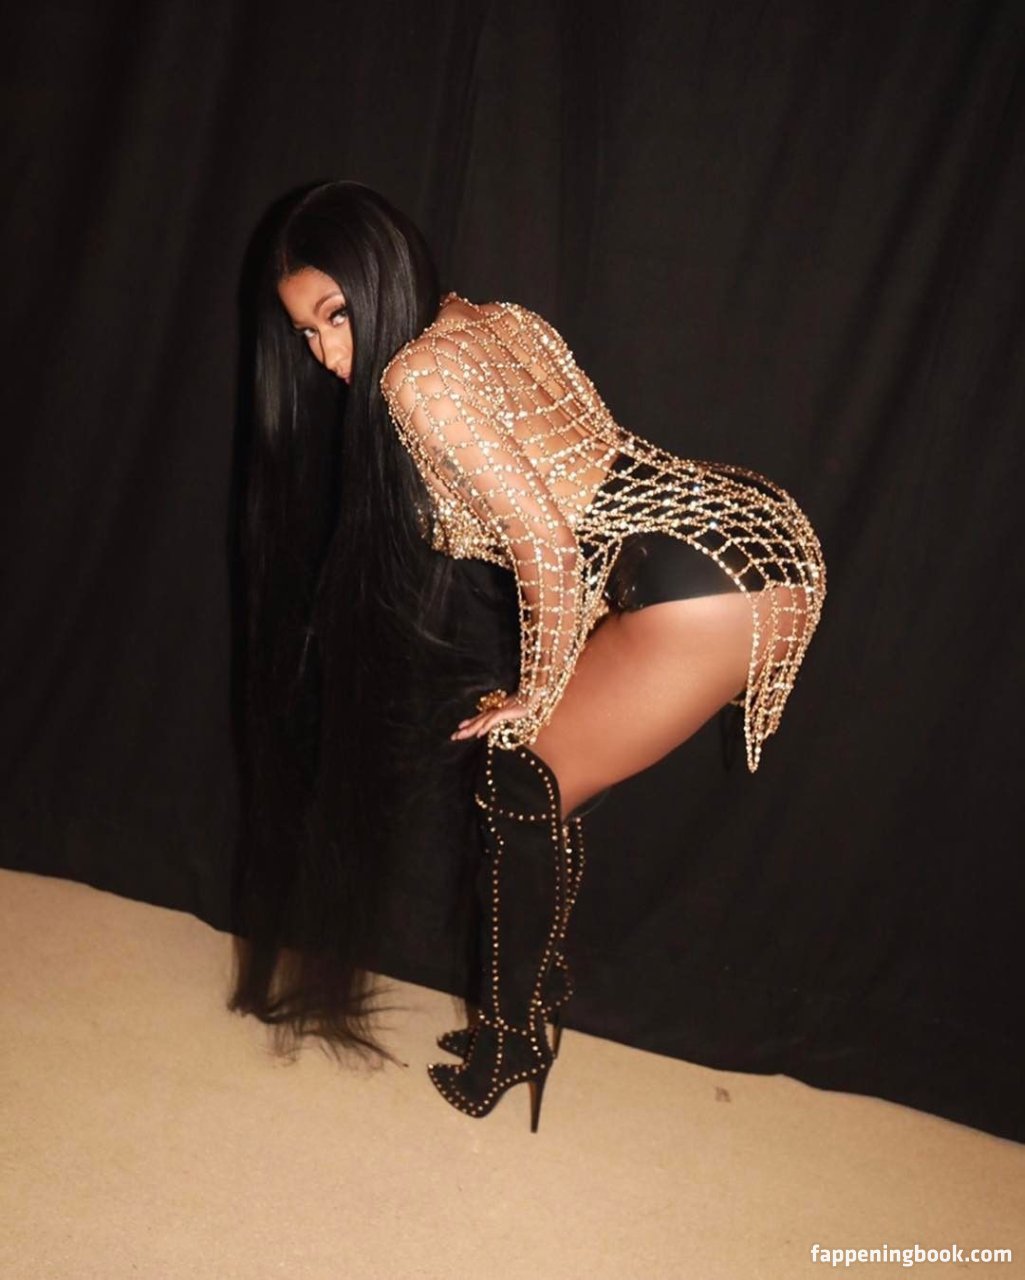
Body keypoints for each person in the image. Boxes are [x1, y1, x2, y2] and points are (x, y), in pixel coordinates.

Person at [228, 179, 827, 1133]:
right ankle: (530, 1005)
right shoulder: (487, 318)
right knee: (536, 783)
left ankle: (514, 1036)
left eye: (337, 316)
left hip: (710, 576)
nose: (327, 354)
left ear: (380, 279)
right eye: (306, 333)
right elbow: (581, 478)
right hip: (728, 534)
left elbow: (547, 540)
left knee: (522, 767)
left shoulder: (415, 379)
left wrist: (537, 691)